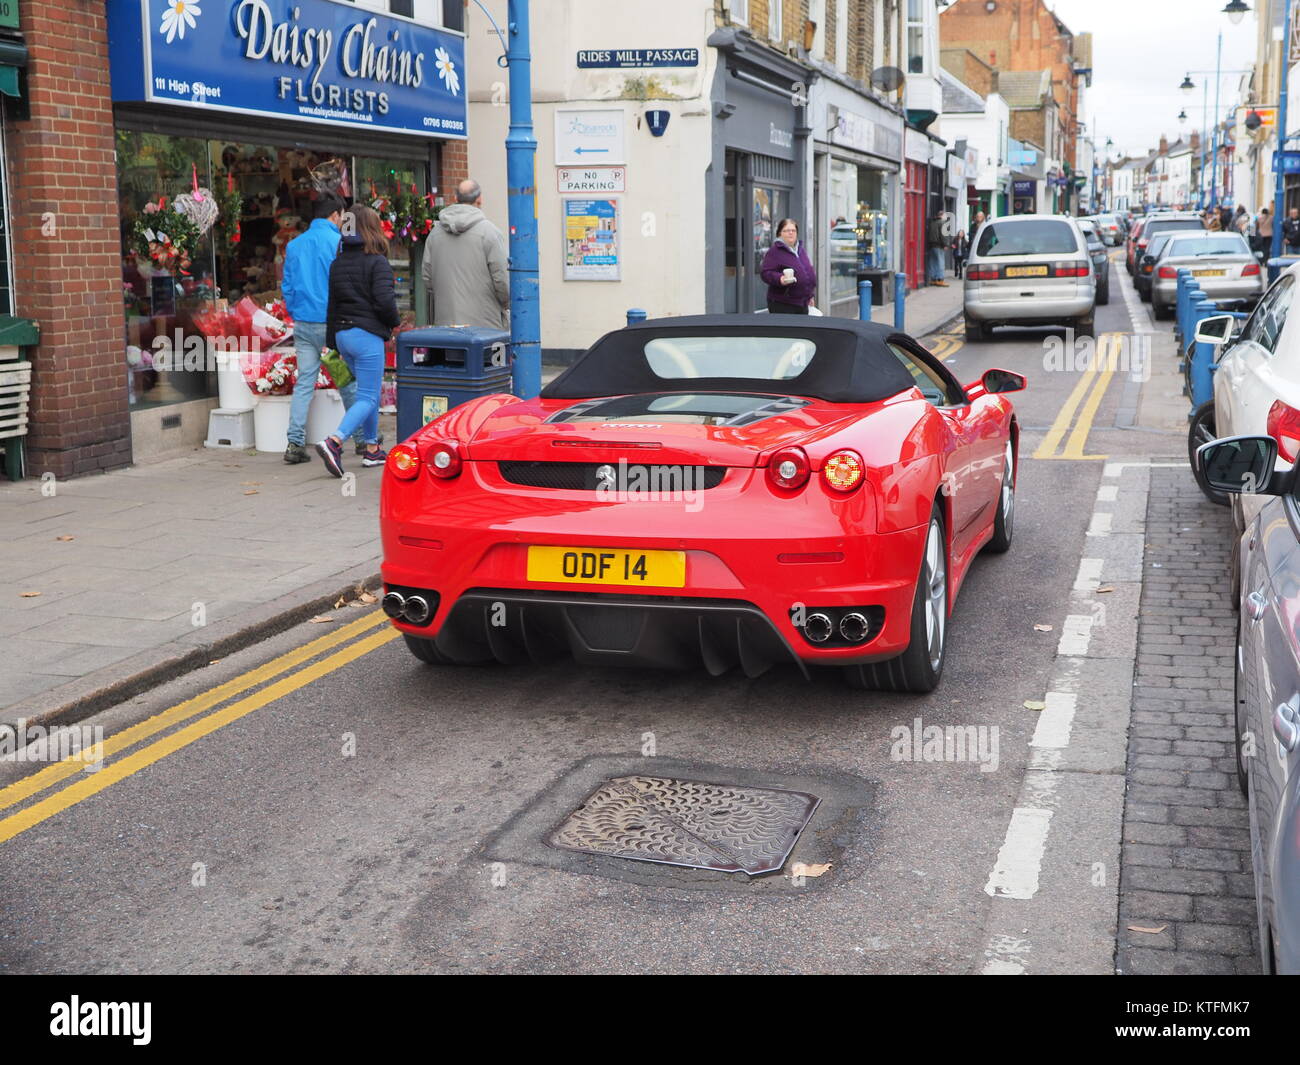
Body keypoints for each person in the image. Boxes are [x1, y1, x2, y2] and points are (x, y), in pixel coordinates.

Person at [280, 193, 366, 465]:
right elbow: (347, 284)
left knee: (304, 383)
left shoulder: (295, 245)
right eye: (341, 216)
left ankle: (294, 443)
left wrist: (296, 312)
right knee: (346, 383)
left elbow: (287, 287)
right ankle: (363, 439)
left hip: (304, 324)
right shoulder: (338, 243)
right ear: (335, 215)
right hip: (331, 325)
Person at [315, 204, 400, 477]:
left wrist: (333, 343)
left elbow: (332, 306)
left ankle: (372, 448)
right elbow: (385, 303)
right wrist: (394, 324)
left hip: (343, 335)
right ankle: (334, 441)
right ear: (372, 228)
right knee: (368, 395)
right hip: (366, 336)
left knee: (367, 393)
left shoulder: (337, 263)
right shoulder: (378, 262)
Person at [421, 178, 509, 329]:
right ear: (479, 199)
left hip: (446, 327)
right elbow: (502, 281)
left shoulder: (434, 235)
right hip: (485, 327)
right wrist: (506, 303)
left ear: (455, 199)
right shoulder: (490, 233)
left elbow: (428, 279)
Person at [759, 218, 817, 314]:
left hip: (802, 303)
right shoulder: (775, 251)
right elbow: (765, 273)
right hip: (783, 304)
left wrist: (810, 295)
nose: (791, 233)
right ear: (779, 233)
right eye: (786, 231)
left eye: (793, 230)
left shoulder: (800, 250)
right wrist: (780, 279)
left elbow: (807, 273)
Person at [926, 211, 949, 286]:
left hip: (932, 245)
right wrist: (945, 244)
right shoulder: (942, 223)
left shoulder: (932, 222)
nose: (946, 217)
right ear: (942, 215)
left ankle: (933, 279)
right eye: (945, 215)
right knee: (940, 262)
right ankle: (940, 279)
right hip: (939, 245)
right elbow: (943, 235)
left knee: (933, 262)